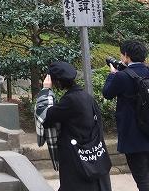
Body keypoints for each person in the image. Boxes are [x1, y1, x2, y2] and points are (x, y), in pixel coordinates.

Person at [36, 61, 112, 191]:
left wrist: (46, 90)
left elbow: (45, 117)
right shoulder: (86, 96)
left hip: (77, 159)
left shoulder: (70, 100)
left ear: (58, 82)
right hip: (93, 155)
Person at [103, 40, 149, 191]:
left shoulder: (121, 77)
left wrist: (113, 74)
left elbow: (107, 93)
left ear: (126, 56)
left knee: (142, 179)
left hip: (133, 136)